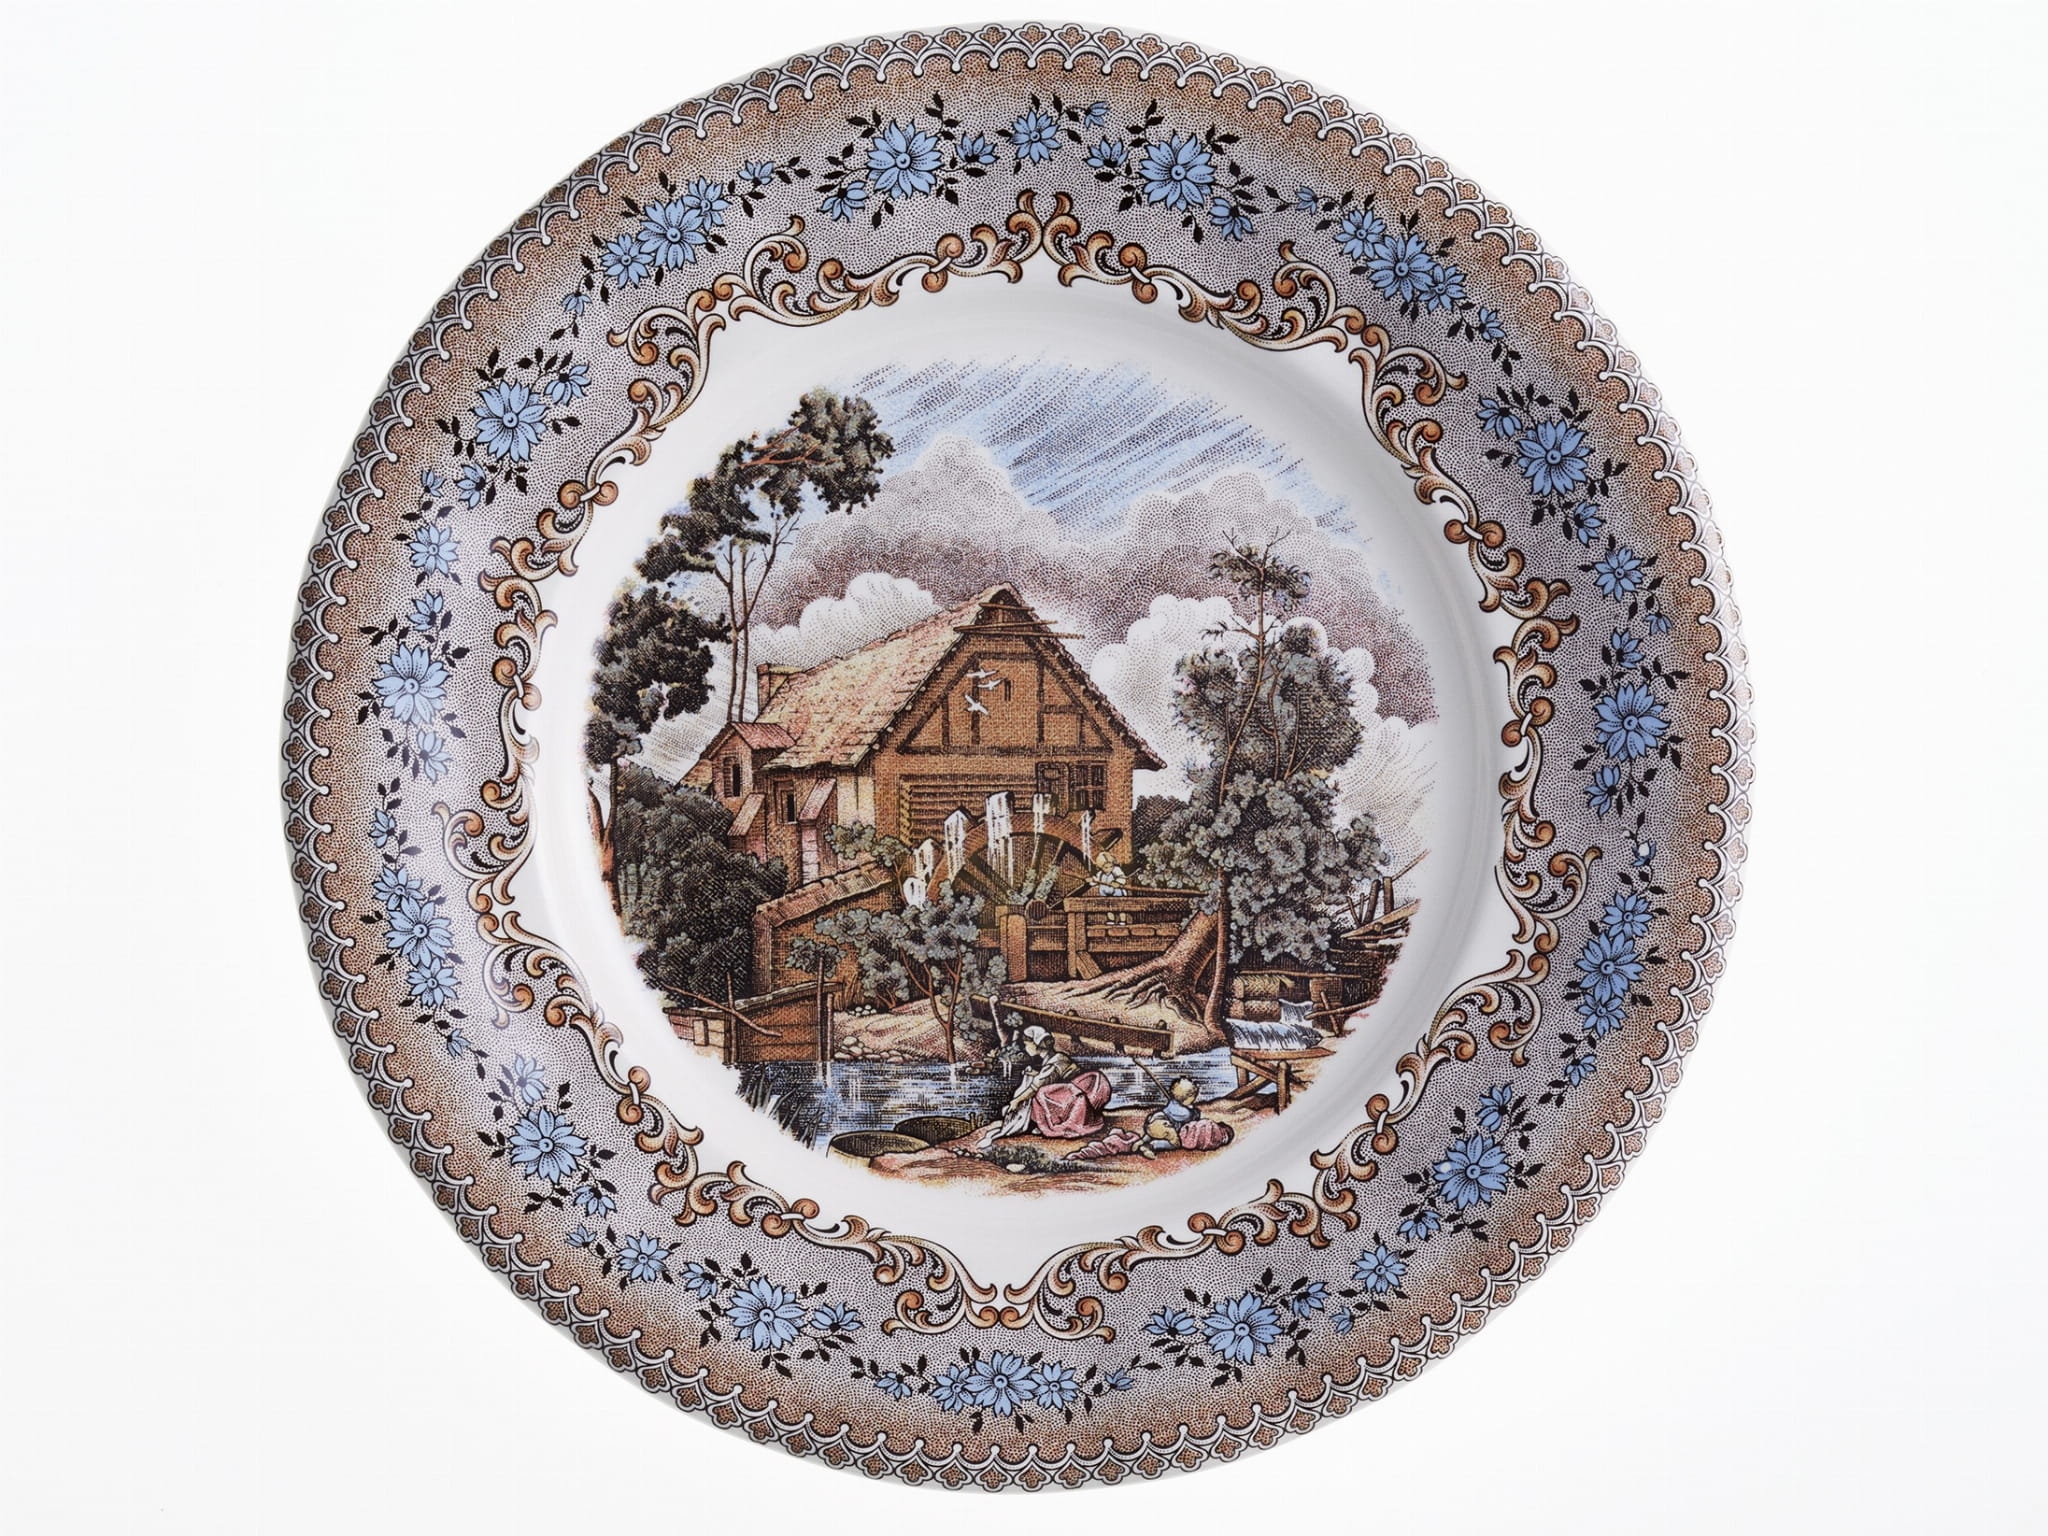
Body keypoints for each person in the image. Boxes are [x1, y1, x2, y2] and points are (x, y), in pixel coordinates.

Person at [977, 1025, 1112, 1147]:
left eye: (1027, 1044)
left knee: (1041, 1093)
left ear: (1037, 1044)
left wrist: (1016, 1101)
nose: (1025, 1048)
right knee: (1042, 1090)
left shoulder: (1054, 1062)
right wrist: (1035, 1074)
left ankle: (1051, 1124)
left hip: (1079, 1096)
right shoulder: (1055, 1058)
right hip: (1074, 1091)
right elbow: (1051, 1077)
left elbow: (1036, 1086)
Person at [1141, 1076, 1233, 1155]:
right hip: (1165, 1125)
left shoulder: (1172, 1103)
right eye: (1193, 1098)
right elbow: (1190, 1118)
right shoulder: (1185, 1113)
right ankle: (1151, 1145)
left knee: (1151, 1133)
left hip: (1155, 1119)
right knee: (1175, 1143)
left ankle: (1142, 1140)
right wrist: (1195, 1112)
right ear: (1187, 1098)